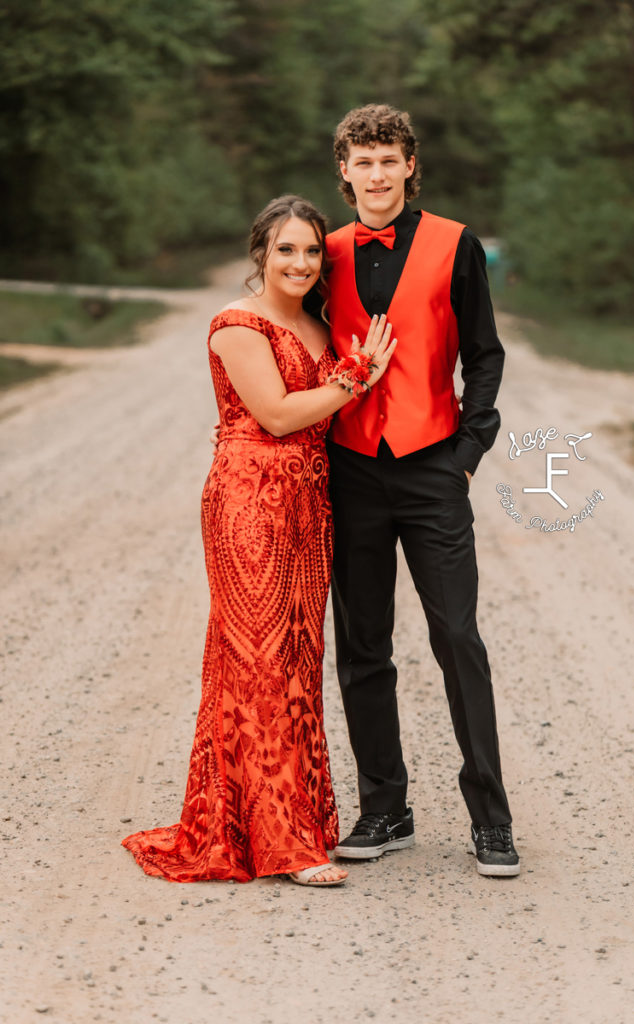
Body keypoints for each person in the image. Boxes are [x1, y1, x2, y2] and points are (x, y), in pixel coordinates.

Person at [122, 195, 396, 887]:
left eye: (310, 251)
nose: (300, 262)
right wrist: (357, 375)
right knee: (258, 660)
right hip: (249, 500)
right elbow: (275, 415)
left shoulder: (316, 324)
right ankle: (284, 845)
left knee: (298, 659)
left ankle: (278, 822)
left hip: (310, 502)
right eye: (286, 250)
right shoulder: (236, 325)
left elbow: (328, 417)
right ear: (260, 255)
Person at [325, 104, 520, 876]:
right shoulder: (327, 252)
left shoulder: (453, 243)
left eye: (388, 159)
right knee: (361, 647)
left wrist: (469, 449)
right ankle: (384, 808)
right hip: (349, 468)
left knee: (457, 641)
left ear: (410, 166)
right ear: (343, 171)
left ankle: (490, 821)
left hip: (433, 463)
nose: (375, 174)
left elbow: (485, 352)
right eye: (361, 161)